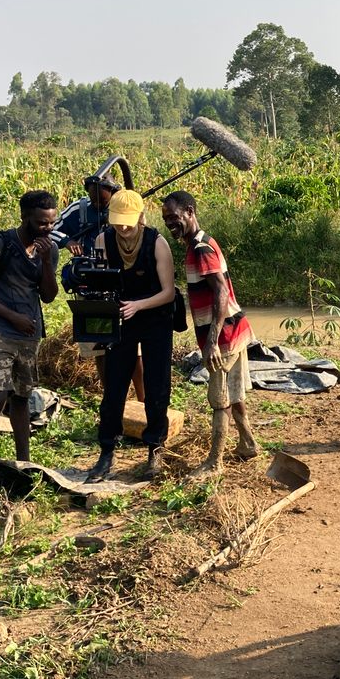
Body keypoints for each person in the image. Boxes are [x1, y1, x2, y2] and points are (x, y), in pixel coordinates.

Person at [0, 190, 60, 500]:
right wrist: (12, 317)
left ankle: (24, 465)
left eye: (51, 223)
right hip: (0, 330)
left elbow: (48, 295)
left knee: (22, 398)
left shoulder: (50, 250)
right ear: (25, 218)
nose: (47, 228)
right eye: (41, 223)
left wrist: (47, 261)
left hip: (29, 334)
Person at [160, 190, 258, 476]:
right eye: (166, 219)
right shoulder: (199, 243)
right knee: (233, 394)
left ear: (190, 211)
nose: (170, 223)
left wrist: (211, 342)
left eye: (174, 217)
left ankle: (214, 462)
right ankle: (248, 443)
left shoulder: (201, 248)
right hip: (234, 329)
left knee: (219, 401)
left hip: (223, 336)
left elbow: (221, 294)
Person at [87, 189, 176, 482]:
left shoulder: (157, 244)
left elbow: (168, 293)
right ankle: (107, 450)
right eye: (117, 222)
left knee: (156, 383)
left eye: (127, 222)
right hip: (122, 317)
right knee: (114, 385)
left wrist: (139, 305)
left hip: (154, 316)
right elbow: (98, 280)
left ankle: (155, 447)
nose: (122, 228)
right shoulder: (103, 240)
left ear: (140, 217)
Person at [52, 176, 145, 403]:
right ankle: (110, 398)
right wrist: (67, 241)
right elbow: (49, 229)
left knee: (133, 348)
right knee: (97, 346)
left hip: (122, 288)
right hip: (90, 288)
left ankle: (143, 398)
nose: (99, 205)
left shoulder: (125, 210)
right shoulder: (79, 210)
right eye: (94, 200)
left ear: (113, 194)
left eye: (103, 201)